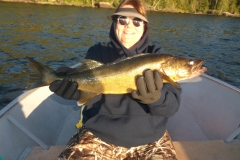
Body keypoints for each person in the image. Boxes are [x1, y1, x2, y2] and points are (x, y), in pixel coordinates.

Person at [50, 0, 181, 159]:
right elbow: (92, 96)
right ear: (114, 23)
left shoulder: (157, 55)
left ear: (145, 26)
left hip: (151, 140)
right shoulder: (98, 51)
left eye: (137, 21)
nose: (129, 25)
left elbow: (171, 107)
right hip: (100, 136)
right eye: (122, 19)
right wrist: (76, 90)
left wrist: (157, 98)